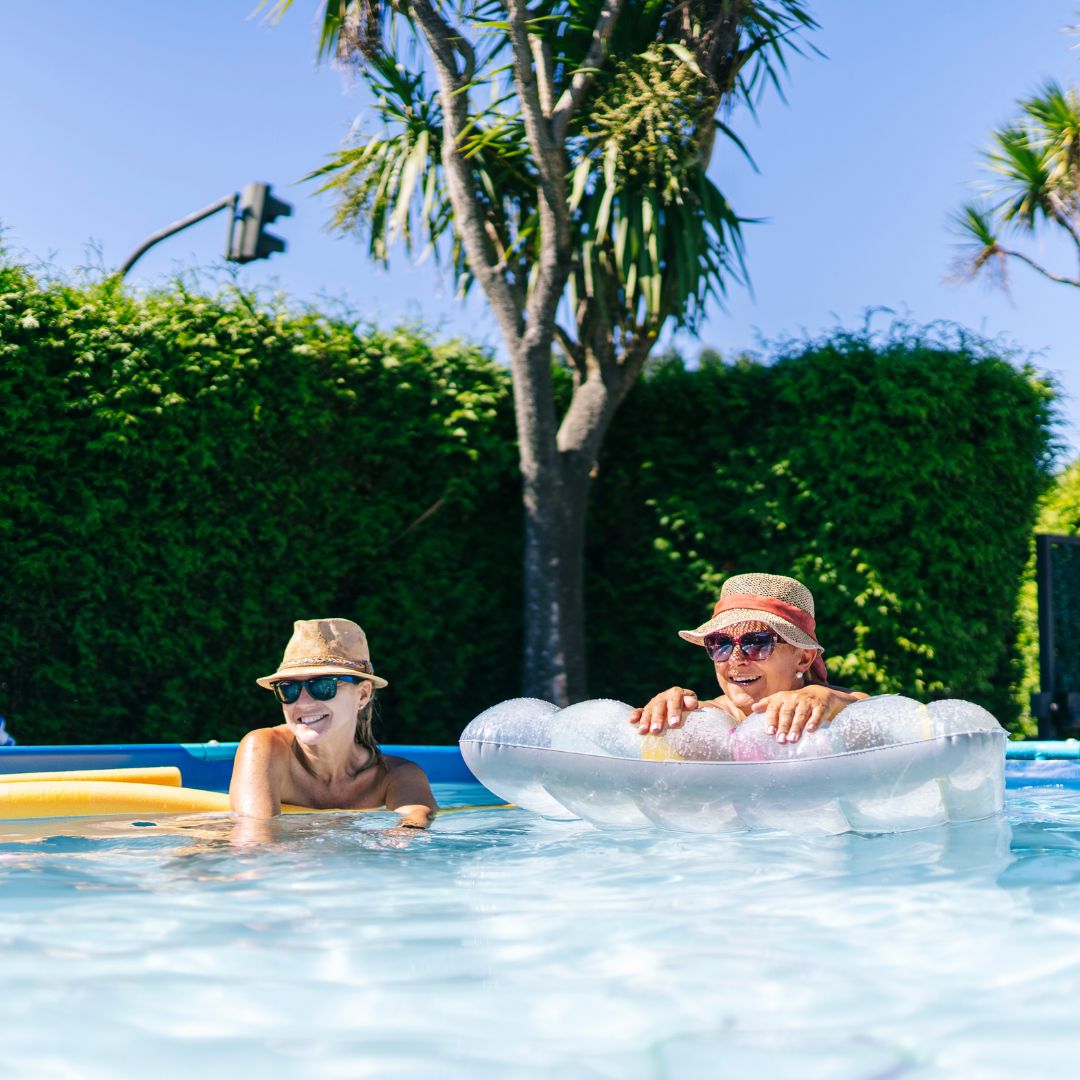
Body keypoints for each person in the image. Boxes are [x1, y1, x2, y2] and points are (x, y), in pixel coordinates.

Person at [230, 618, 436, 827]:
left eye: (323, 686)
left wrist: (403, 835)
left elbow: (415, 820)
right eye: (288, 688)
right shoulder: (264, 749)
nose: (303, 701)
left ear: (363, 694)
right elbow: (254, 843)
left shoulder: (395, 776)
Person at [629, 573, 868, 744]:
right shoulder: (712, 715)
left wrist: (826, 696)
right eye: (720, 644)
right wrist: (667, 708)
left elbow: (875, 709)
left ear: (804, 658)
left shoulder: (826, 704)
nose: (735, 659)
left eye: (756, 643)